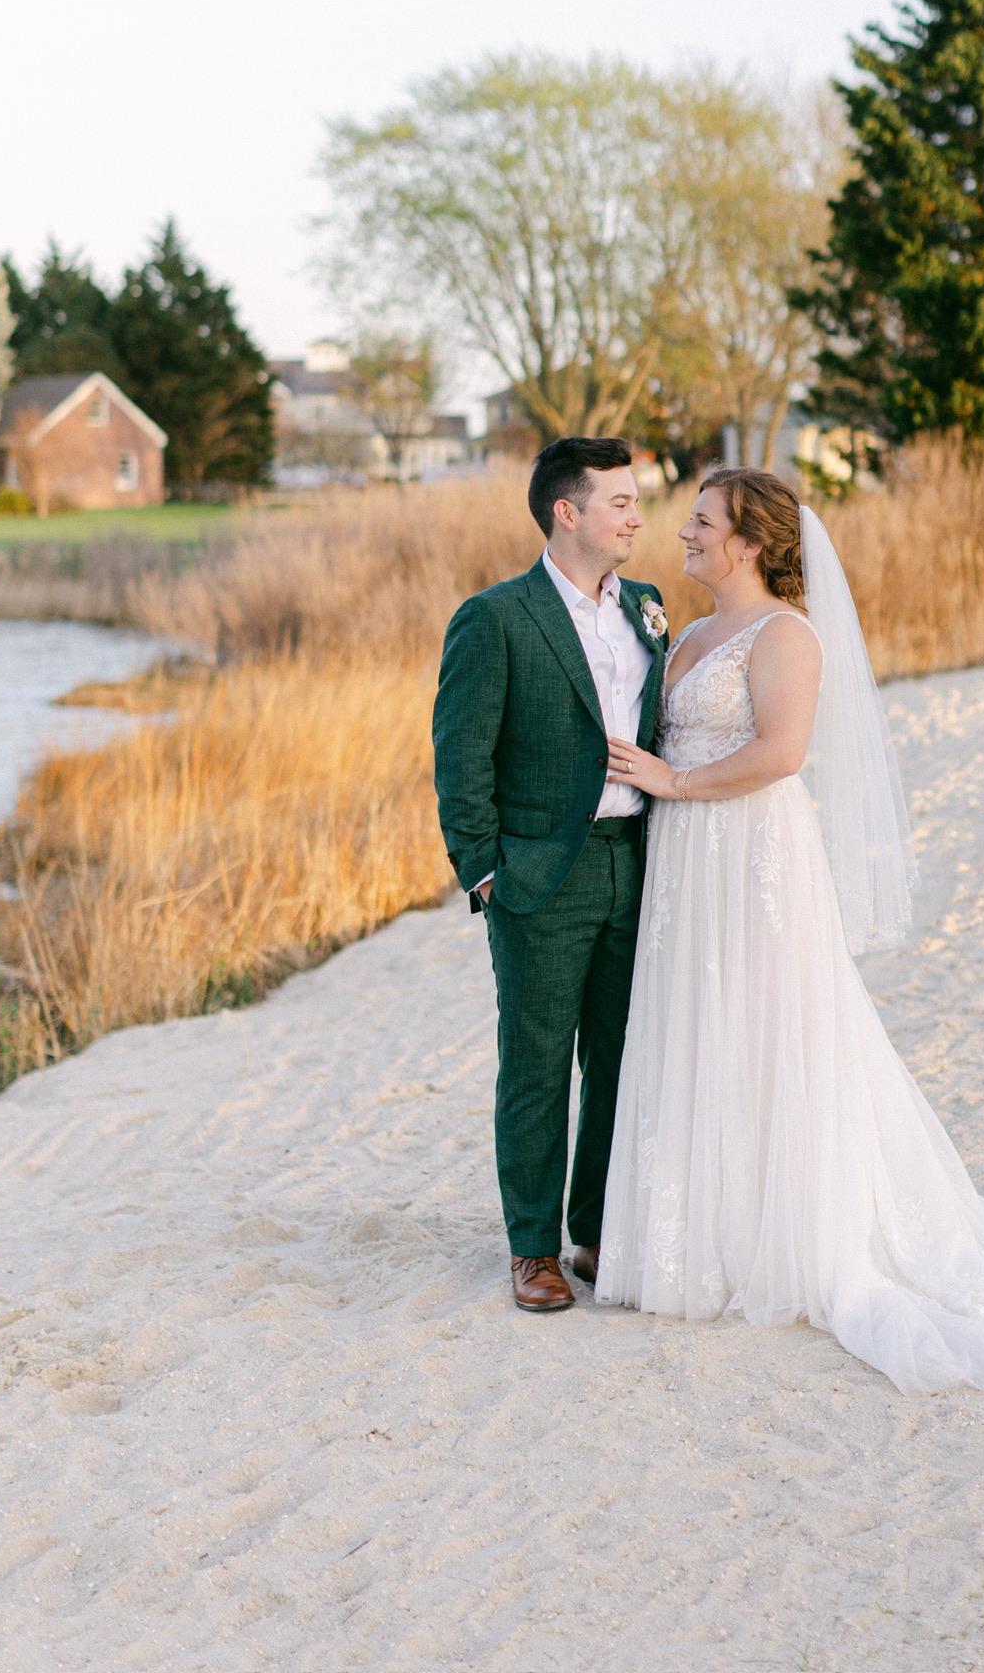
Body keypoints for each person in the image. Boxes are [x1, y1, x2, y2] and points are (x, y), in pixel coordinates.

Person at [595, 467, 984, 1392]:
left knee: (766, 1028)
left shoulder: (785, 635)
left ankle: (789, 1237)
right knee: (700, 1025)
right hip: (688, 861)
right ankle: (702, 1238)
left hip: (751, 853)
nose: (683, 532)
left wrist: (673, 782)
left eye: (702, 521)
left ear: (749, 543)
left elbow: (780, 754)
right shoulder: (688, 635)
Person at [432, 437, 669, 1313]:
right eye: (620, 503)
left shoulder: (647, 607)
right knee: (535, 1066)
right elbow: (460, 757)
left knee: (619, 1059)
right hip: (539, 877)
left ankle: (596, 1232)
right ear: (567, 512)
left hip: (635, 863)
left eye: (636, 502)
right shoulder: (495, 617)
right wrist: (485, 872)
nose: (637, 518)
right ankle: (532, 1249)